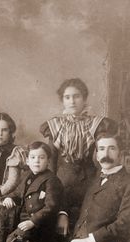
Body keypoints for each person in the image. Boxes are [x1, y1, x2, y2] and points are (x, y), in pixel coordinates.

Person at [40, 78, 117, 233]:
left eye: (77, 96)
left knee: (87, 224)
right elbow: (51, 161)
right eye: (67, 97)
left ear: (84, 98)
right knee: (60, 225)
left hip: (90, 179)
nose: (72, 101)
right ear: (62, 100)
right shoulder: (55, 126)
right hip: (62, 180)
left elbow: (102, 156)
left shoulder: (97, 124)